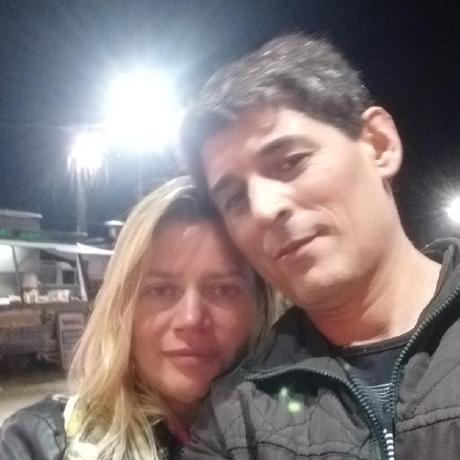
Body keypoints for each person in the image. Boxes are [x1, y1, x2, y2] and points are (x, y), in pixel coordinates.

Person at [179, 33, 460, 460]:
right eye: (234, 199)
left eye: (290, 162)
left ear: (378, 144)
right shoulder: (236, 421)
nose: (264, 209)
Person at [0, 176, 277, 460]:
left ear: (261, 305)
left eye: (223, 289)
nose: (191, 318)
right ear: (124, 308)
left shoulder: (296, 435)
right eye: (161, 290)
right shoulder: (39, 443)